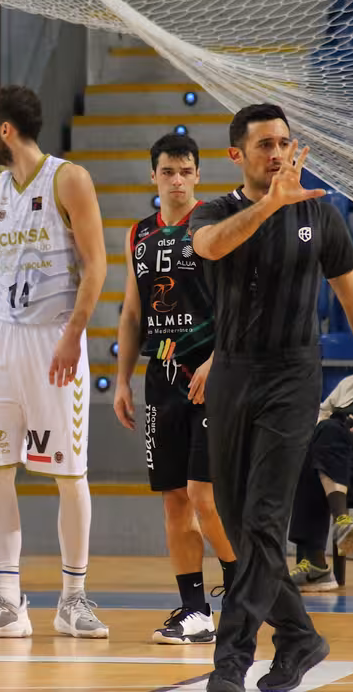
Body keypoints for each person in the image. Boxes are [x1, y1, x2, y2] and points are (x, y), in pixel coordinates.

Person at [190, 104, 353, 692]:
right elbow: (209, 247)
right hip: (232, 374)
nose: (277, 153)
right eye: (264, 144)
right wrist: (269, 205)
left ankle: (231, 664)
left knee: (265, 520)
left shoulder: (321, 214)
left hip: (293, 377)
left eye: (284, 143)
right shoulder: (215, 212)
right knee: (240, 528)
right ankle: (298, 638)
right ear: (236, 155)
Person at [0, 85, 108, 641]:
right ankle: (8, 602)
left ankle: (73, 599)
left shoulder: (69, 179)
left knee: (69, 473)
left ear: (6, 130)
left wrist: (73, 335)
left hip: (53, 337)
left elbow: (96, 265)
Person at [113, 133, 237, 644]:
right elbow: (131, 313)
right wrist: (122, 379)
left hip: (210, 375)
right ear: (154, 176)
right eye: (168, 172)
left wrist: (216, 360)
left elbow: (237, 306)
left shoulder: (213, 225)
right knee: (174, 500)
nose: (178, 181)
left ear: (198, 175)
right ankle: (195, 611)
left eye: (186, 172)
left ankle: (244, 587)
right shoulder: (138, 234)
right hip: (160, 377)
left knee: (204, 495)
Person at [287, 370, 353, 591]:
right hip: (341, 463)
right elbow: (319, 418)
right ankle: (342, 522)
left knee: (317, 461)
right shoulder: (352, 383)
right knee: (321, 440)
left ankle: (315, 566)